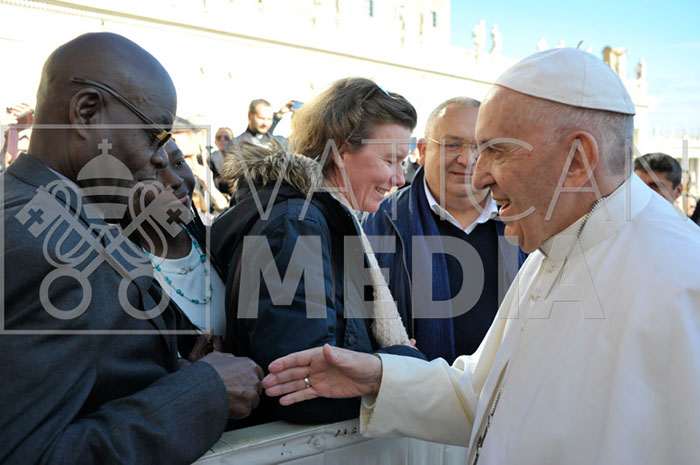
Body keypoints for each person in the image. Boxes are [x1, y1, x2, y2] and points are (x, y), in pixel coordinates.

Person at [262, 48, 700, 464]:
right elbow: (483, 395)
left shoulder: (683, 281)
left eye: (496, 150)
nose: (478, 175)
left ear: (577, 160)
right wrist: (379, 376)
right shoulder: (551, 249)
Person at [0, 33, 263, 464]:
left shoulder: (63, 211)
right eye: (154, 134)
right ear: (87, 112)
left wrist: (174, 367)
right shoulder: (42, 247)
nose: (160, 159)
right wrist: (205, 391)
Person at [212, 77, 426, 426]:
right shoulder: (298, 225)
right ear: (340, 153)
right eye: (390, 160)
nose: (400, 178)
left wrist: (382, 360)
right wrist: (403, 362)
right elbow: (302, 391)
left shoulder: (321, 218)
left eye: (403, 163)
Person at [363, 97, 525, 363]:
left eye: (481, 147)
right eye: (452, 145)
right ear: (423, 151)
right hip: (409, 385)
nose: (467, 159)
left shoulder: (526, 222)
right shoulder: (376, 225)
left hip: (507, 385)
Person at [123, 139, 227, 336]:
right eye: (154, 173)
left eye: (179, 163)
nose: (176, 180)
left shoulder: (220, 243)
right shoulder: (123, 277)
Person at [209, 126, 233, 193]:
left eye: (226, 138)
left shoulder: (240, 159)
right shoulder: (210, 159)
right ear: (215, 142)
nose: (222, 140)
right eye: (219, 137)